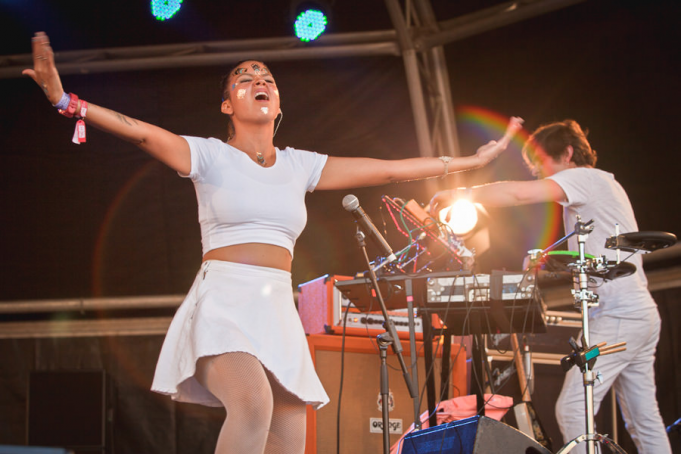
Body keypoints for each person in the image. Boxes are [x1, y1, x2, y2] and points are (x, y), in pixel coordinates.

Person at [24, 31, 522, 454]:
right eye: (245, 77)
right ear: (228, 105)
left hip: (275, 305)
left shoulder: (299, 165)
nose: (259, 80)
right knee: (253, 402)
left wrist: (469, 163)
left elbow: (388, 169)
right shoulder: (208, 155)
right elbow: (139, 133)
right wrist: (67, 102)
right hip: (223, 299)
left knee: (288, 424)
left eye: (267, 78)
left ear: (278, 103)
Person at [430, 119, 672, 454]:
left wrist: (462, 193)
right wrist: (551, 259)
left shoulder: (584, 178)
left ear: (568, 152)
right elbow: (596, 252)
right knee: (645, 421)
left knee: (574, 408)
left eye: (542, 165)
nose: (542, 176)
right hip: (640, 312)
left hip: (620, 315)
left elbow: (517, 193)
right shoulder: (603, 187)